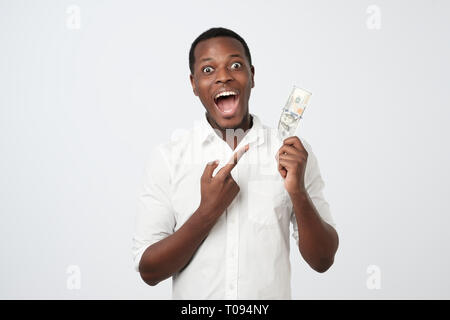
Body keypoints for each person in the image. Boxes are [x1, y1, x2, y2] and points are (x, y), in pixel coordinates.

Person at [132, 27, 339, 299]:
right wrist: (207, 211)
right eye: (208, 70)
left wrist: (297, 192)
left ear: (252, 76)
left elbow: (322, 260)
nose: (223, 76)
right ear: (194, 85)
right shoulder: (169, 158)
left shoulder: (294, 154)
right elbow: (150, 272)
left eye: (235, 65)